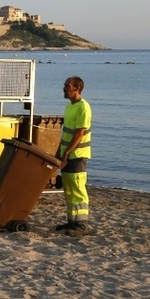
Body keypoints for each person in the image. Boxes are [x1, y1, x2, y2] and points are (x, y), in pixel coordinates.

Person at [54, 76, 92, 237]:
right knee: (69, 189)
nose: (64, 88)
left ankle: (81, 224)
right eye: (64, 85)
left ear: (77, 88)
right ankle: (72, 221)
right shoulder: (70, 107)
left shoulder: (83, 107)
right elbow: (67, 134)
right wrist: (59, 152)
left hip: (77, 155)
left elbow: (79, 133)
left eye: (67, 86)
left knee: (77, 189)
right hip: (67, 154)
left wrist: (67, 152)